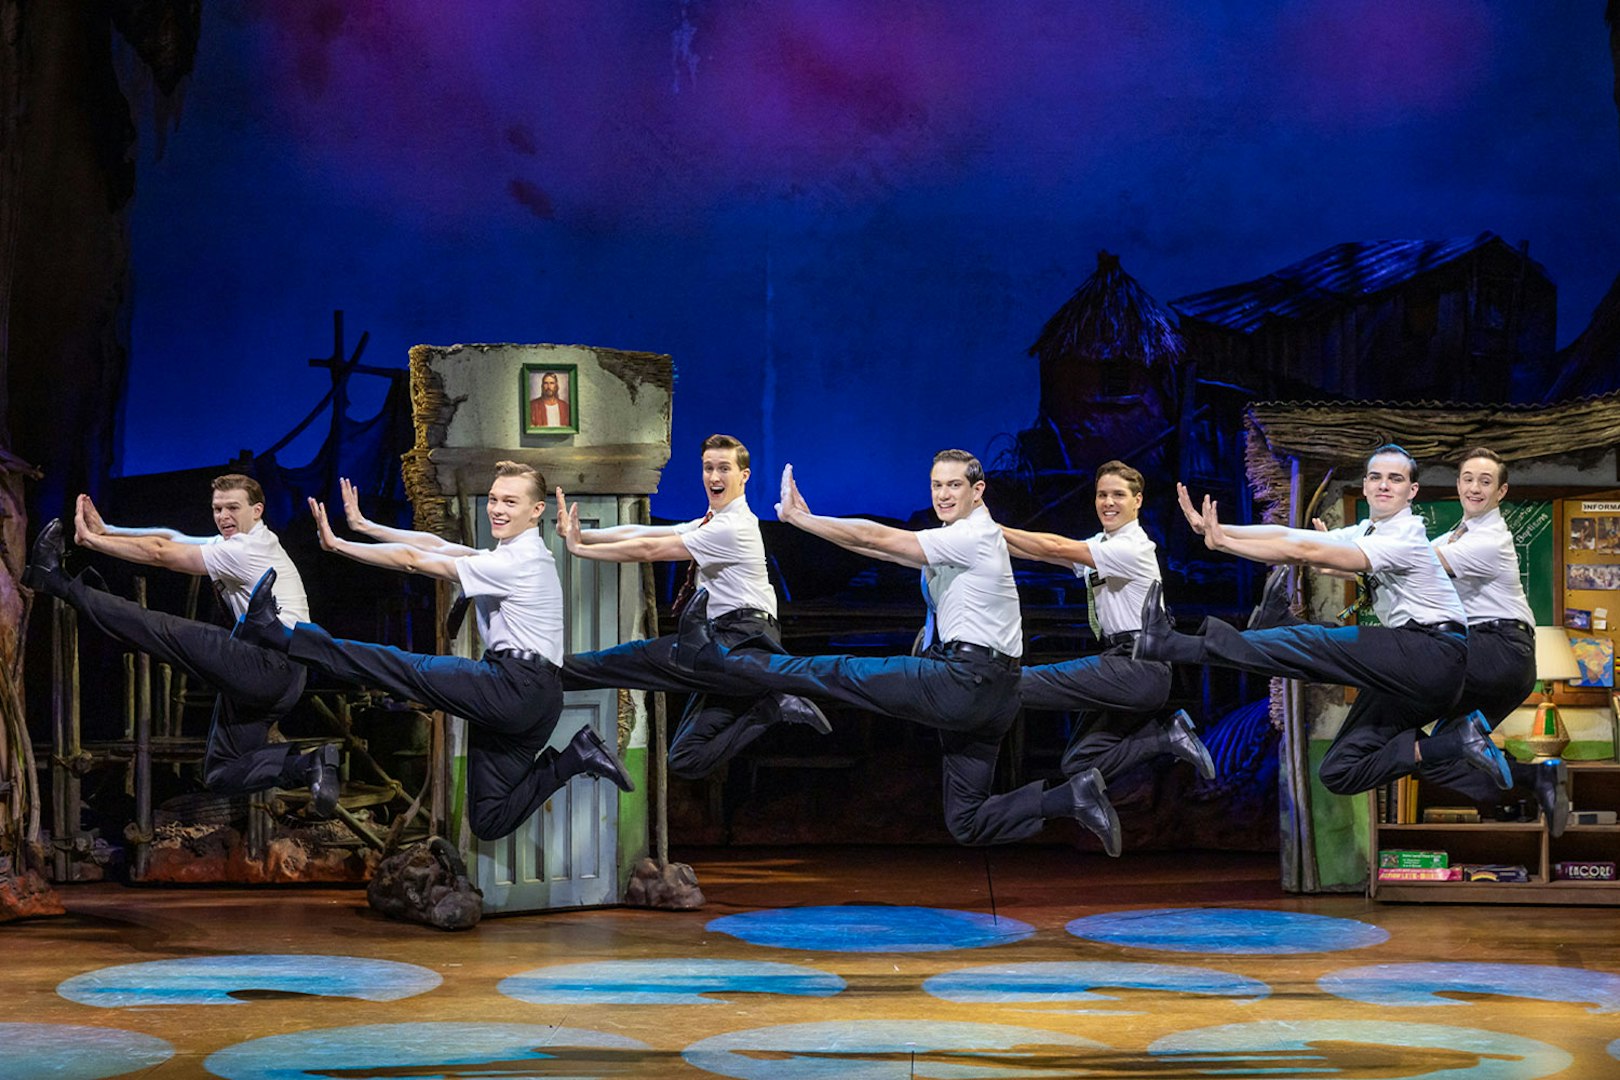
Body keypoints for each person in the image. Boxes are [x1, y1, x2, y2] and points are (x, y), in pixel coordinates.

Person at [675, 450, 1123, 854]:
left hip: (965, 682)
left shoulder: (972, 535)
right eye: (936, 485)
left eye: (954, 485)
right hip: (993, 697)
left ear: (977, 490)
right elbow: (873, 549)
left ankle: (737, 665)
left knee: (839, 672)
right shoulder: (962, 538)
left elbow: (881, 540)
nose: (943, 495)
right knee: (966, 821)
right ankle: (1071, 796)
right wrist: (818, 527)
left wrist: (801, 521)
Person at [236, 463, 632, 841]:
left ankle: (278, 633)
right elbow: (437, 545)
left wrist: (340, 545)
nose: (496, 509)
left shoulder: (518, 562)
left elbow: (414, 561)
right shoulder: (512, 556)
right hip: (536, 701)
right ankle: (576, 756)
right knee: (489, 818)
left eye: (510, 502)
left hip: (514, 687)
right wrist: (364, 525)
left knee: (392, 665)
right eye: (494, 499)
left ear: (536, 511)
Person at [1141, 444, 1512, 799]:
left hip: (1433, 653)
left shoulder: (1404, 536)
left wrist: (1224, 543)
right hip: (1414, 674)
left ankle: (1178, 644)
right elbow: (1288, 535)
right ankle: (1455, 742)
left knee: (1316, 644)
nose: (1384, 484)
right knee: (1339, 770)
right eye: (1376, 476)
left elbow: (1303, 550)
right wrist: (1218, 531)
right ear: (1365, 485)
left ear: (1411, 490)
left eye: (1395, 479)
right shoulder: (1368, 530)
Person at [22, 476, 339, 815]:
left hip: (267, 664)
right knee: (222, 773)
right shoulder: (244, 542)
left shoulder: (245, 549)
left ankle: (54, 579)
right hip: (287, 680)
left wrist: (91, 542)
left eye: (233, 508)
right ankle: (309, 766)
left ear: (257, 510)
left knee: (157, 629)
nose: (223, 516)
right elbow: (171, 537)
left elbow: (161, 553)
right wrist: (108, 529)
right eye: (217, 509)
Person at [555, 434, 829, 779]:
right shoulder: (714, 521)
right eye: (708, 468)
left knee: (635, 659)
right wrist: (584, 534)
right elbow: (650, 534)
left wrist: (582, 550)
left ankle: (548, 673)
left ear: (743, 475)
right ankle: (775, 707)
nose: (714, 477)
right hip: (727, 645)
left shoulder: (731, 527)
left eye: (724, 469)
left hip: (739, 639)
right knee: (684, 758)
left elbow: (649, 552)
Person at [1006, 461, 1214, 785]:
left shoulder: (1131, 548)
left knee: (1016, 684)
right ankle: (1167, 737)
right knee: (1078, 763)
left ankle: (958, 680)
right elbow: (1044, 554)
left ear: (1138, 500)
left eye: (1118, 494)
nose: (1108, 502)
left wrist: (994, 530)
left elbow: (1056, 546)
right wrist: (983, 542)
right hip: (1122, 662)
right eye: (1102, 495)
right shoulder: (1103, 545)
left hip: (1140, 665)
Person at [1409, 449, 1571, 835]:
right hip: (1489, 655)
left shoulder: (1490, 540)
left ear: (1501, 492)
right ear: (1458, 485)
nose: (1474, 487)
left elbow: (1418, 563)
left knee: (1396, 690)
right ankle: (1533, 781)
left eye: (1485, 481)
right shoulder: (1453, 536)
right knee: (1440, 758)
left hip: (1498, 649)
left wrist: (1356, 552)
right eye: (1468, 479)